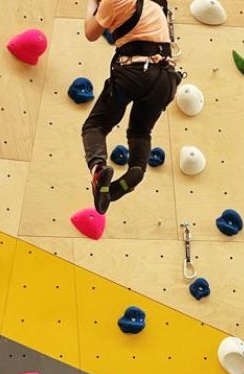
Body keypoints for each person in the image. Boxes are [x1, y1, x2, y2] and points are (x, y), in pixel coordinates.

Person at [82, 0, 182, 215]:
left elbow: (90, 33)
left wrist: (92, 4)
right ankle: (137, 169)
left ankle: (99, 169)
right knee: (140, 131)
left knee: (95, 126)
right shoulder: (158, 4)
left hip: (134, 72)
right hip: (166, 79)